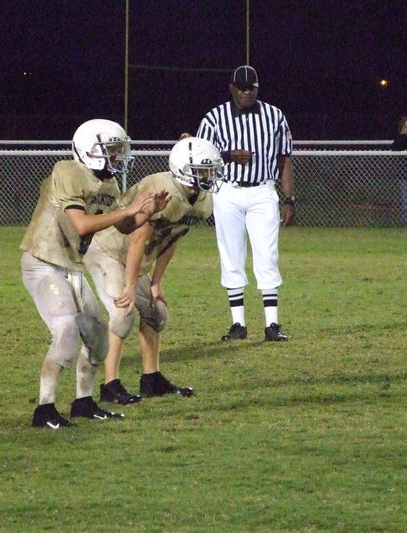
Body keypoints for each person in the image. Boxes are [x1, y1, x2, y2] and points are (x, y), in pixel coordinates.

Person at [20, 119, 168, 429]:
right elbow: (82, 225)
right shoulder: (67, 171)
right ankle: (44, 410)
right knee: (67, 332)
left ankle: (83, 403)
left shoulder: (108, 184)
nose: (116, 157)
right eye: (111, 151)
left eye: (118, 151)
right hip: (43, 262)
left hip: (70, 267)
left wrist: (144, 213)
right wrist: (128, 211)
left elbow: (121, 225)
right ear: (90, 150)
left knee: (99, 337)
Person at [84, 136, 222, 404]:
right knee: (123, 313)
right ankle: (109, 386)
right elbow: (137, 237)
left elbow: (171, 238)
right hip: (109, 249)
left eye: (210, 170)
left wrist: (156, 281)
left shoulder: (201, 199)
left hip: (136, 256)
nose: (209, 176)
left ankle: (151, 379)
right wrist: (131, 285)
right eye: (203, 171)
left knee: (157, 313)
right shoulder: (161, 190)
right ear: (183, 169)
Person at [196, 65, 294, 342]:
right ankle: (238, 324)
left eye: (251, 87)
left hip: (263, 190)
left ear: (258, 88)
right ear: (232, 88)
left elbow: (285, 158)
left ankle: (272, 325)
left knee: (267, 255)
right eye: (241, 87)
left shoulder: (275, 116)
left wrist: (289, 199)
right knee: (231, 255)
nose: (246, 92)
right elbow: (201, 158)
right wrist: (227, 156)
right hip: (228, 191)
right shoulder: (214, 118)